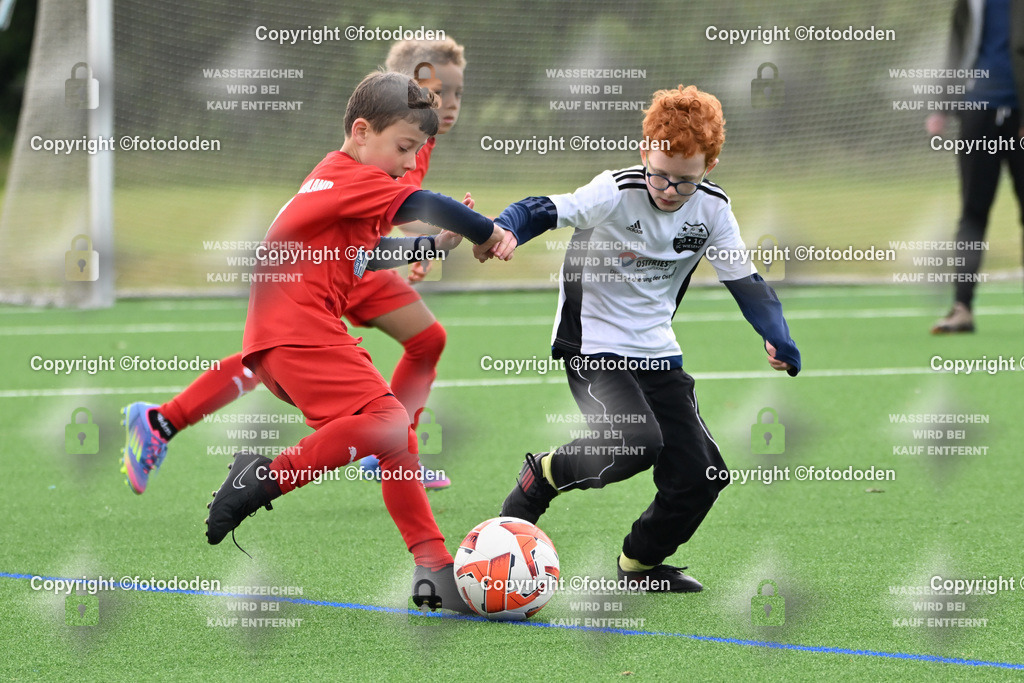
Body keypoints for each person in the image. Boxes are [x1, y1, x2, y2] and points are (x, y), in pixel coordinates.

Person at [205, 70, 513, 613]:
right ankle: (265, 477)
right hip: (298, 335)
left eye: (415, 151)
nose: (405, 163)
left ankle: (434, 567)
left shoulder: (335, 183)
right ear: (362, 131)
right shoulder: (350, 175)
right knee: (393, 423)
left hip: (287, 341)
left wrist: (435, 248)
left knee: (394, 435)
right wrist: (489, 233)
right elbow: (427, 201)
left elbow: (363, 259)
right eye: (402, 148)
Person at [120, 38, 470, 493]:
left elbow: (382, 213)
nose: (450, 104)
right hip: (337, 264)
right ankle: (391, 451)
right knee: (390, 342)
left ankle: (163, 420)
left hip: (344, 260)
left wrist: (423, 247)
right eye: (439, 91)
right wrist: (461, 237)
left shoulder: (412, 140)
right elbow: (382, 206)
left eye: (459, 93)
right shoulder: (398, 138)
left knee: (274, 356)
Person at [492, 85, 801, 593]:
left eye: (685, 181)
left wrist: (777, 338)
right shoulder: (614, 191)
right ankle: (542, 476)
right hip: (591, 345)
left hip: (656, 350)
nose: (668, 190)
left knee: (702, 475)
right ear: (645, 152)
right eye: (660, 174)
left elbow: (746, 282)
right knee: (635, 441)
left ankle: (639, 564)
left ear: (711, 166)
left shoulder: (714, 211)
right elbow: (544, 209)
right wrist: (506, 227)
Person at [927, 0, 1024, 333]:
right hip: (977, 111)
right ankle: (962, 307)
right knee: (973, 211)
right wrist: (942, 104)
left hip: (1020, 114)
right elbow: (957, 43)